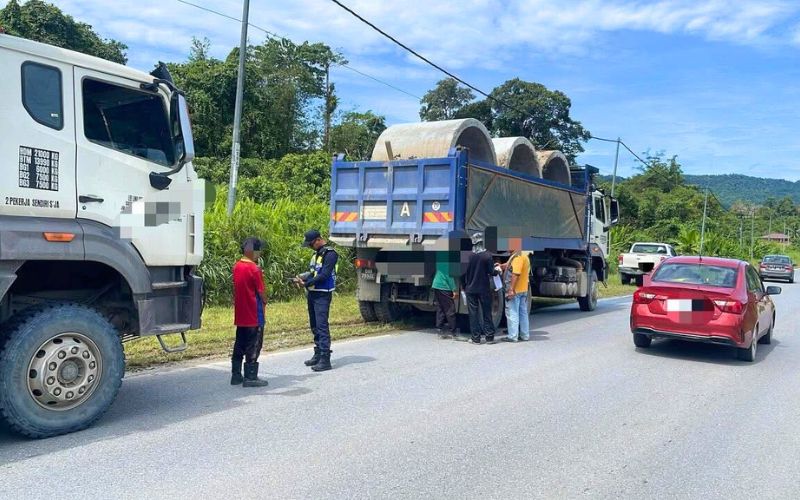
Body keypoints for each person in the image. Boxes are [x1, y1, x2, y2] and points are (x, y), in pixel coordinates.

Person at [294, 229, 339, 372]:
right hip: (312, 293)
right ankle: (318, 353)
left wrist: (306, 283)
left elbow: (324, 275)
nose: (309, 247)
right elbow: (314, 273)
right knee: (314, 325)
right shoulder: (316, 254)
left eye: (310, 244)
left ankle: (325, 359)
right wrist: (302, 277)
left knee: (321, 326)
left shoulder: (330, 254)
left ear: (318, 240)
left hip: (322, 295)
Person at [231, 237, 269, 387]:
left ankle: (236, 375)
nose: (260, 254)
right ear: (253, 252)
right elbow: (261, 292)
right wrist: (265, 300)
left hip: (241, 313)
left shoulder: (236, 266)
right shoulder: (255, 268)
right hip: (254, 312)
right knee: (254, 344)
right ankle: (250, 377)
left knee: (240, 342)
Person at [462, 232, 499, 344]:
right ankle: (489, 337)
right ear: (482, 242)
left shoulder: (467, 256)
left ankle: (476, 338)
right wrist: (497, 271)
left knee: (473, 314)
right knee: (487, 312)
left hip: (470, 289)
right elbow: (491, 272)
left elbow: (462, 274)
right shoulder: (487, 255)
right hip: (484, 289)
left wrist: (464, 287)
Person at [501, 241, 531, 342]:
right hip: (523, 290)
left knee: (512, 313)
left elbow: (515, 274)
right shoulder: (522, 255)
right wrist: (501, 266)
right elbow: (510, 265)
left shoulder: (518, 257)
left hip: (515, 291)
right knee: (523, 313)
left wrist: (511, 289)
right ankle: (525, 335)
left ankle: (513, 336)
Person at [432, 251, 458, 339]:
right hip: (444, 287)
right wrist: (454, 290)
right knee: (450, 309)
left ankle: (439, 329)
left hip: (436, 285)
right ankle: (453, 332)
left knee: (440, 308)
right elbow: (450, 278)